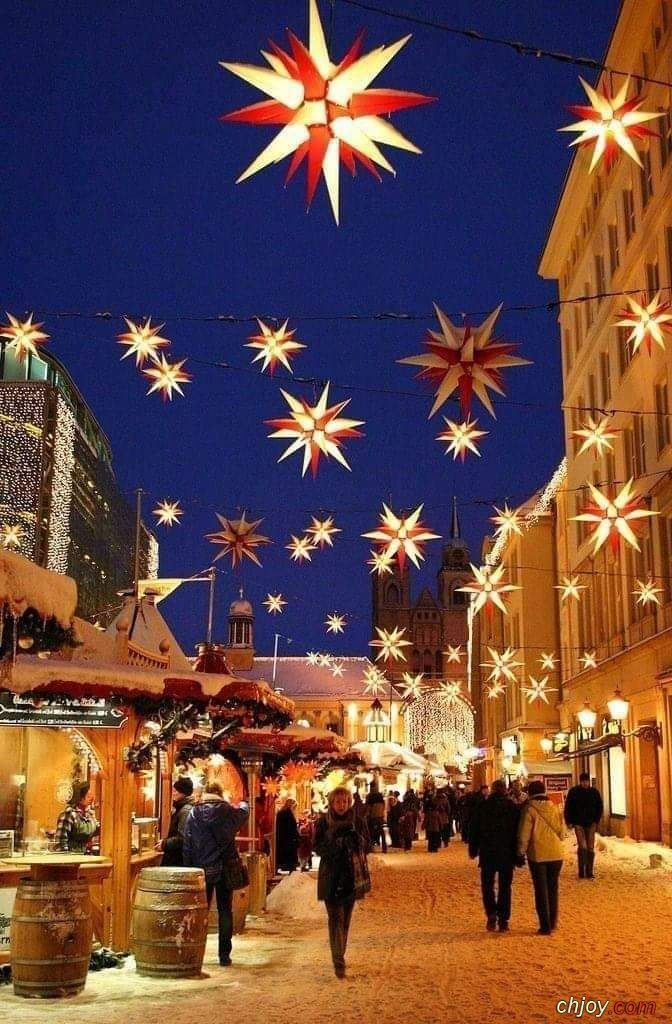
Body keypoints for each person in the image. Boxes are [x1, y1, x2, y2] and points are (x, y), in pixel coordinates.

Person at [183, 780, 248, 967]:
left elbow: (187, 843)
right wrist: (244, 803)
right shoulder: (227, 811)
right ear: (220, 793)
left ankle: (196, 952)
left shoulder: (193, 813)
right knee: (225, 910)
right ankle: (224, 955)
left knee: (200, 912)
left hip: (202, 869)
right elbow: (243, 814)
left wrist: (189, 868)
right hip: (224, 867)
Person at [314, 787, 370, 979]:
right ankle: (338, 960)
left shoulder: (357, 821)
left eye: (344, 801)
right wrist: (334, 845)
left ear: (349, 803)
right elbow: (317, 846)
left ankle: (340, 953)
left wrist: (356, 840)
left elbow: (368, 845)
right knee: (335, 919)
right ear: (331, 803)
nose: (341, 805)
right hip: (331, 876)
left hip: (352, 876)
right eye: (338, 802)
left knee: (345, 920)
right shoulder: (323, 822)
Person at [469, 779, 523, 932]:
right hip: (507, 852)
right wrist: (519, 853)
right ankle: (504, 919)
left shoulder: (483, 806)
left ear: (492, 790)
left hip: (488, 852)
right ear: (505, 790)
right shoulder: (512, 807)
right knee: (505, 886)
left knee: (487, 885)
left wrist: (473, 849)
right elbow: (518, 832)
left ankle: (491, 913)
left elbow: (474, 829)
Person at [517, 779, 564, 935]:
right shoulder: (555, 806)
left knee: (541, 890)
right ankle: (553, 922)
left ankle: (545, 926)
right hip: (556, 854)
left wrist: (520, 852)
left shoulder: (529, 809)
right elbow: (562, 832)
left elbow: (524, 834)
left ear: (530, 793)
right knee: (553, 888)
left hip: (538, 855)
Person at [564, 772, 603, 879]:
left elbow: (599, 806)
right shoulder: (574, 792)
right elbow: (568, 806)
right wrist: (569, 821)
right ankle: (582, 870)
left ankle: (589, 871)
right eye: (583, 781)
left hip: (591, 823)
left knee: (590, 847)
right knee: (583, 846)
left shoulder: (594, 792)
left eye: (587, 781)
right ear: (580, 781)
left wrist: (596, 820)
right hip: (578, 823)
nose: (585, 783)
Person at [157, 776, 194, 867]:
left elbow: (182, 837)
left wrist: (165, 843)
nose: (173, 793)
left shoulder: (185, 810)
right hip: (178, 857)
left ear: (183, 793)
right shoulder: (182, 808)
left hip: (178, 859)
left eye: (176, 791)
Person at [55, 781, 99, 853]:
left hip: (87, 855)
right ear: (80, 798)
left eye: (92, 796)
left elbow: (95, 830)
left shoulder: (90, 814)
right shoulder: (69, 814)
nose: (92, 798)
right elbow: (61, 841)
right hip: (72, 857)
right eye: (88, 796)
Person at [275, 797, 300, 872]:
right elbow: (291, 826)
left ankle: (281, 866)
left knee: (281, 853)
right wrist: (296, 836)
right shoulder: (288, 813)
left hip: (282, 838)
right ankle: (290, 867)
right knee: (289, 854)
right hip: (289, 839)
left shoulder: (281, 812)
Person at [366, 782, 387, 853]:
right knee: (381, 832)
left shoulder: (370, 796)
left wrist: (367, 815)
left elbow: (368, 808)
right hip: (380, 816)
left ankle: (371, 848)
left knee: (371, 832)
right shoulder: (380, 796)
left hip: (373, 816)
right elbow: (383, 805)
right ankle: (384, 848)